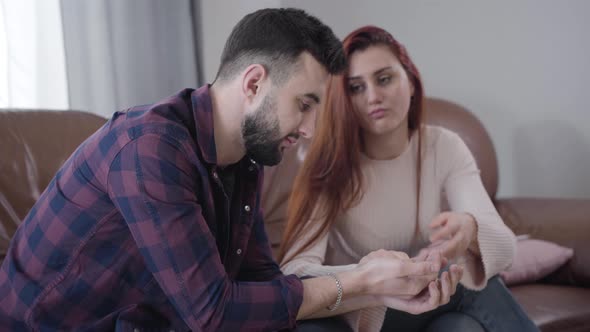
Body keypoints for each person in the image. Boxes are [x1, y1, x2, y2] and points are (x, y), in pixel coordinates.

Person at [0, 10, 452, 332]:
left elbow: (262, 290)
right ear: (254, 83)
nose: (312, 130)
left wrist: (375, 289)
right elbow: (214, 314)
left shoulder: (245, 159)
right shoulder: (149, 149)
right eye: (305, 105)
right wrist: (360, 281)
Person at [279, 26, 539, 331]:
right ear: (344, 99)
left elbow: (505, 250)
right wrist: (373, 276)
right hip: (357, 315)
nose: (373, 97)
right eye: (356, 88)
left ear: (411, 82)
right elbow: (296, 275)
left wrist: (469, 230)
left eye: (384, 79)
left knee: (460, 323)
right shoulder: (327, 163)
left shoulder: (444, 146)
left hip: (430, 307)